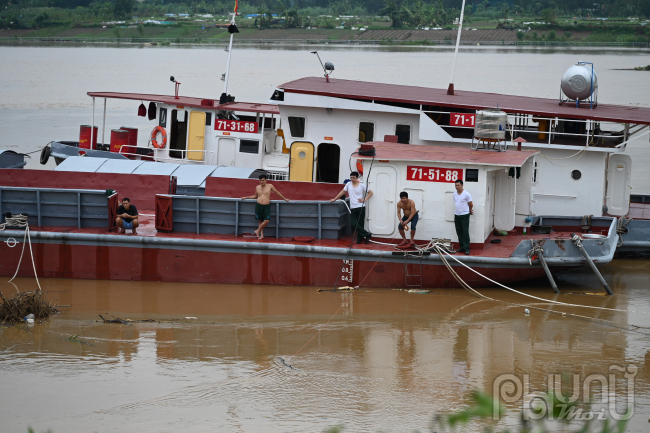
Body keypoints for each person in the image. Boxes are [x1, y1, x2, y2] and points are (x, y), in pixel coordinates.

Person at [241, 173, 289, 240]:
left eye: (263, 180)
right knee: (260, 221)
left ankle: (257, 230)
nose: (261, 182)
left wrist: (285, 199)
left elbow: (277, 192)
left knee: (266, 220)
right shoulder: (257, 187)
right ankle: (261, 235)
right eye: (260, 180)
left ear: (266, 180)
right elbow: (255, 196)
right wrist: (246, 197)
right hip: (259, 205)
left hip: (266, 205)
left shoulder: (270, 186)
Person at [330, 171, 373, 244]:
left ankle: (359, 239)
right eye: (351, 177)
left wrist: (364, 199)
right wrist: (335, 199)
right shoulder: (348, 184)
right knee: (353, 223)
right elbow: (342, 192)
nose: (352, 179)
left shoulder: (361, 185)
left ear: (357, 178)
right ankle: (366, 234)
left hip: (361, 207)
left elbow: (370, 192)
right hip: (353, 207)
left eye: (353, 178)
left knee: (360, 224)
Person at [453, 180, 473, 255]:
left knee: (465, 232)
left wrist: (470, 210)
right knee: (459, 232)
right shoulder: (454, 194)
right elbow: (456, 202)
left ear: (462, 185)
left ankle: (467, 248)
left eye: (458, 185)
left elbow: (470, 204)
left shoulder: (466, 194)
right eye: (456, 185)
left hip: (464, 215)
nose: (457, 187)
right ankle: (462, 247)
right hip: (457, 215)